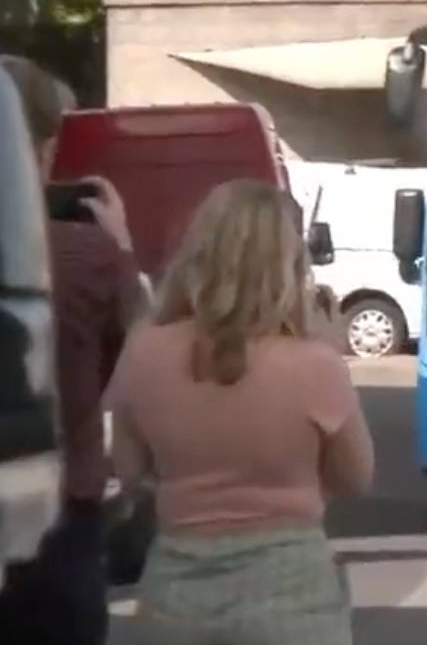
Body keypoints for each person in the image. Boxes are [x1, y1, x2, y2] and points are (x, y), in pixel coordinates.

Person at [106, 178, 374, 645]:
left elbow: (130, 470)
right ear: (289, 263)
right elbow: (356, 478)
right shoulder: (315, 365)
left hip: (176, 597)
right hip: (293, 597)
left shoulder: (145, 350)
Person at [0, 55, 146, 645]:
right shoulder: (88, 255)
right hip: (60, 517)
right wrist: (124, 247)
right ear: (46, 146)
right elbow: (144, 356)